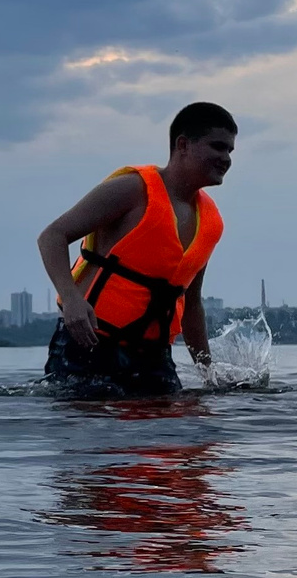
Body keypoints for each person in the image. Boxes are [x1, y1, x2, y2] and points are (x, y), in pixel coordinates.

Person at [36, 102, 234, 397]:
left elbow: (191, 304)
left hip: (153, 359)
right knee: (92, 437)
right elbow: (52, 236)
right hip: (88, 346)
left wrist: (209, 374)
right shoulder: (132, 189)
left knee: (175, 438)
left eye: (230, 151)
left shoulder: (209, 221)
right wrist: (72, 299)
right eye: (218, 147)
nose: (226, 159)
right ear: (183, 145)